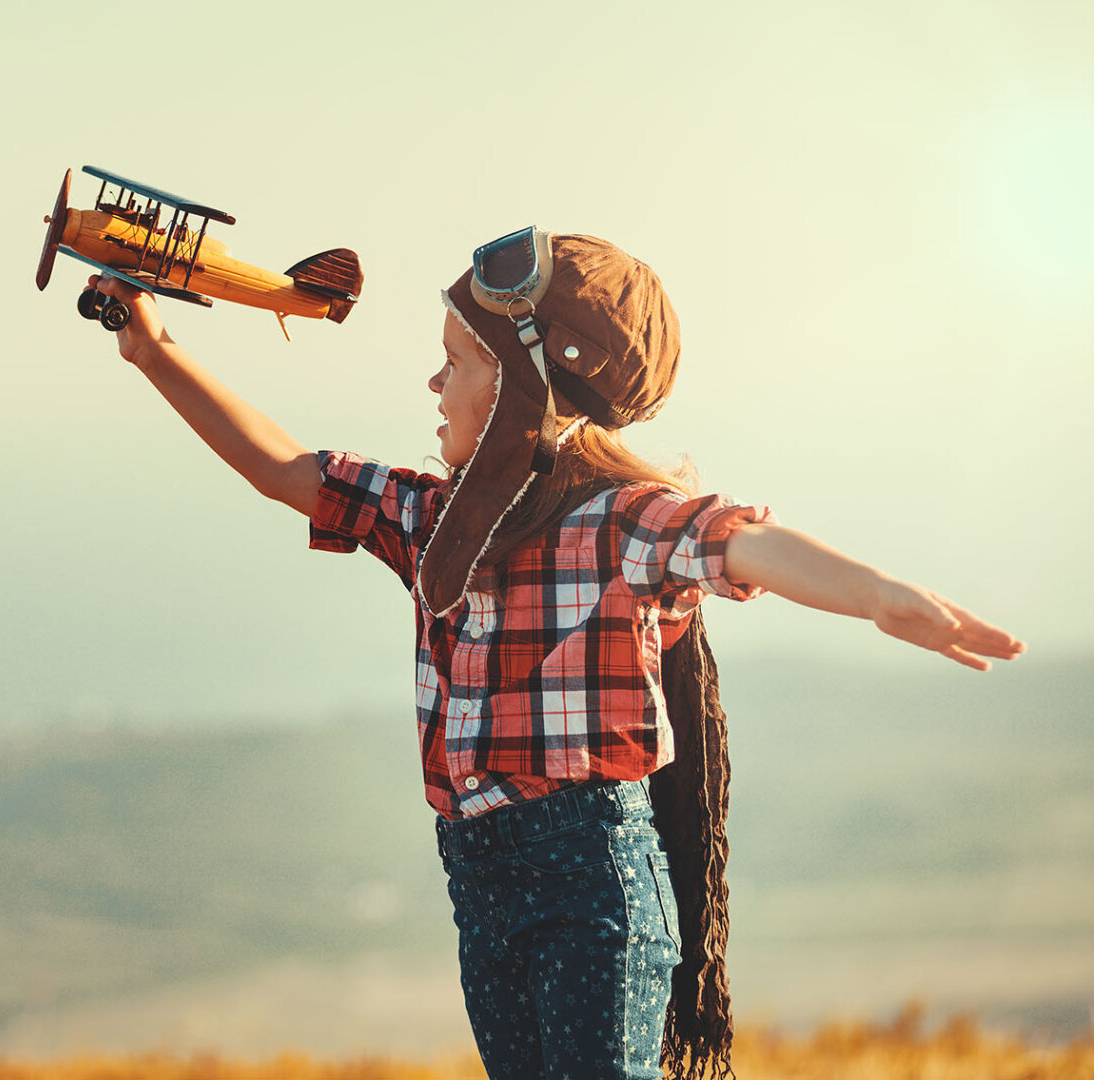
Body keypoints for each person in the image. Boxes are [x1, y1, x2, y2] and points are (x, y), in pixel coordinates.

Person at [78, 228, 1023, 1080]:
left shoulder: (618, 524)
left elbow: (743, 544)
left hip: (590, 883)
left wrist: (882, 598)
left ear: (529, 389)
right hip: (478, 881)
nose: (433, 386)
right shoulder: (433, 520)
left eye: (454, 363)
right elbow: (284, 470)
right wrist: (152, 349)